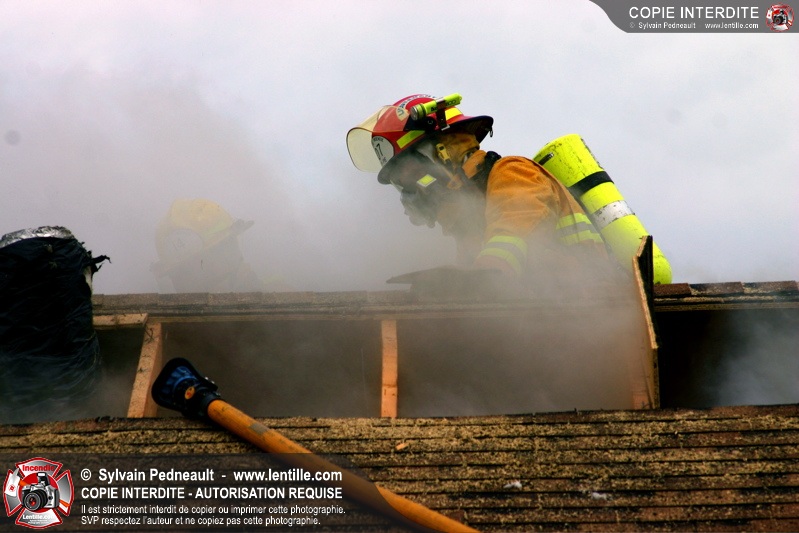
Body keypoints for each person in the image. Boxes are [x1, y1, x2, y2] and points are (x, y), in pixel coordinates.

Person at [346, 93, 615, 292]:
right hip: (552, 317)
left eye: (410, 175)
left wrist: (472, 279)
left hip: (589, 306)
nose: (410, 191)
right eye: (400, 183)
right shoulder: (468, 223)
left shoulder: (512, 173)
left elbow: (510, 243)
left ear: (440, 152)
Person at [151, 199, 288, 293]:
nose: (197, 280)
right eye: (185, 273)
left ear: (230, 251)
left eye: (204, 265)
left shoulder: (279, 296)